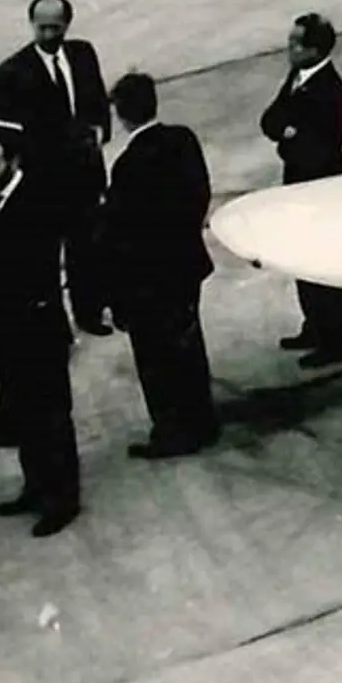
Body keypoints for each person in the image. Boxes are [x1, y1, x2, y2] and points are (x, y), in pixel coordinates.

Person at [0, 131, 81, 533]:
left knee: (50, 414)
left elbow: (28, 272)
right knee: (23, 410)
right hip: (2, 330)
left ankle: (62, 497)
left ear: (14, 163)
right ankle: (36, 486)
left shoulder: (37, 203)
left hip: (34, 327)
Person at [0, 0, 115, 334]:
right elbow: (3, 134)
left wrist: (99, 131)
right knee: (44, 258)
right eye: (41, 28)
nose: (48, 35)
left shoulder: (82, 54)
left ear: (67, 24)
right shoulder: (11, 74)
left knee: (86, 248)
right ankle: (55, 326)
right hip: (44, 182)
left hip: (84, 174)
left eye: (55, 27)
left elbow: (96, 100)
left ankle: (89, 312)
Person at [101, 72, 221, 455]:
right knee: (189, 347)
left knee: (157, 360)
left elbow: (123, 234)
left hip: (148, 279)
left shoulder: (127, 166)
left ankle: (172, 430)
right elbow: (200, 194)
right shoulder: (182, 139)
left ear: (121, 114)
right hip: (185, 263)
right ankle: (202, 421)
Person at [265, 13, 342, 366]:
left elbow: (317, 147)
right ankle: (316, 325)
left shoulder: (329, 91)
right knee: (304, 258)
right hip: (299, 184)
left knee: (327, 261)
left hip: (321, 188)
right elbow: (270, 120)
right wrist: (288, 133)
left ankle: (338, 339)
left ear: (315, 50)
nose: (289, 49)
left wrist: (288, 137)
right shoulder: (299, 77)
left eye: (296, 44)